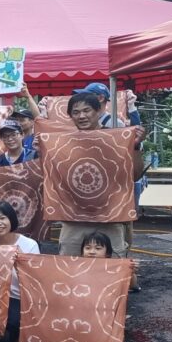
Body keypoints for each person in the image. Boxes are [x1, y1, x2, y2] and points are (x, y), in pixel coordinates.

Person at [58, 92, 146, 259]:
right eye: (76, 112)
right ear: (70, 116)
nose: (81, 116)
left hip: (110, 216)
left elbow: (134, 175)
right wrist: (44, 152)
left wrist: (135, 147)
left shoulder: (116, 139)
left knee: (113, 267)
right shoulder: (62, 143)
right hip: (74, 217)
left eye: (87, 110)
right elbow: (53, 178)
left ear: (98, 111)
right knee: (69, 265)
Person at [50, 231, 121, 342]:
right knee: (71, 321)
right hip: (79, 310)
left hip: (103, 311)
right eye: (88, 248)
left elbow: (131, 285)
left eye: (98, 248)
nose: (92, 252)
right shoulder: (74, 267)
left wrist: (131, 271)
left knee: (103, 327)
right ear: (82, 251)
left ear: (108, 253)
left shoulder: (116, 268)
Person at [0, 201, 40, 342]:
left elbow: (34, 279)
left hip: (17, 296)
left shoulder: (29, 244)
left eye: (3, 218)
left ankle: (11, 330)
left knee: (13, 320)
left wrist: (21, 260)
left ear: (12, 219)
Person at [73, 82, 141, 127]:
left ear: (101, 98)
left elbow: (132, 141)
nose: (83, 99)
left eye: (87, 96)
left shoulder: (114, 123)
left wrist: (131, 105)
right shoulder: (84, 121)